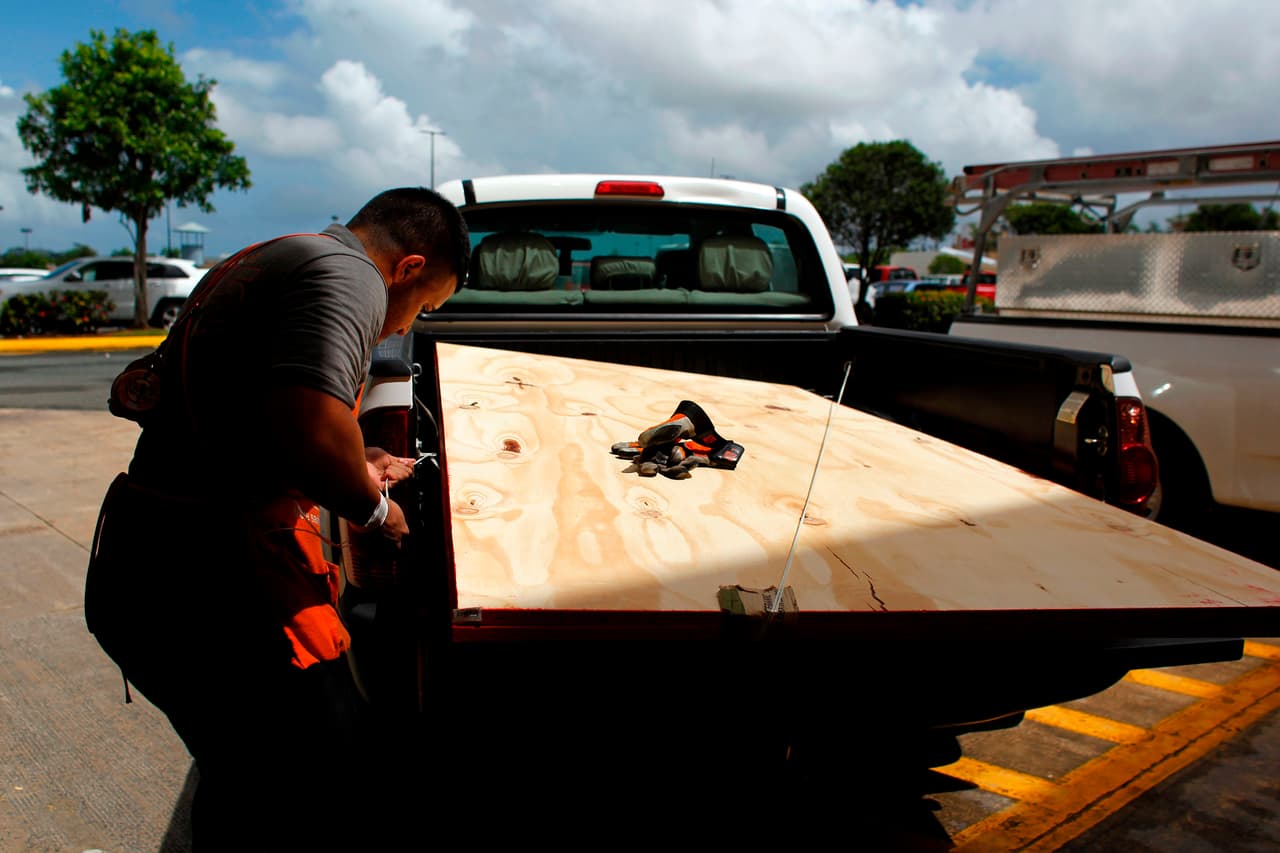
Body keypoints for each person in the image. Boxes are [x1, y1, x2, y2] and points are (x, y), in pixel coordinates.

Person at [84, 187, 470, 851]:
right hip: (208, 585)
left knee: (251, 775)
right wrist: (379, 511)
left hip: (143, 567)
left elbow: (265, 415)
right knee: (310, 768)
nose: (405, 327)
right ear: (406, 267)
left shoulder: (267, 258)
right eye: (423, 306)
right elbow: (315, 437)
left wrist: (362, 453)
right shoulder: (353, 277)